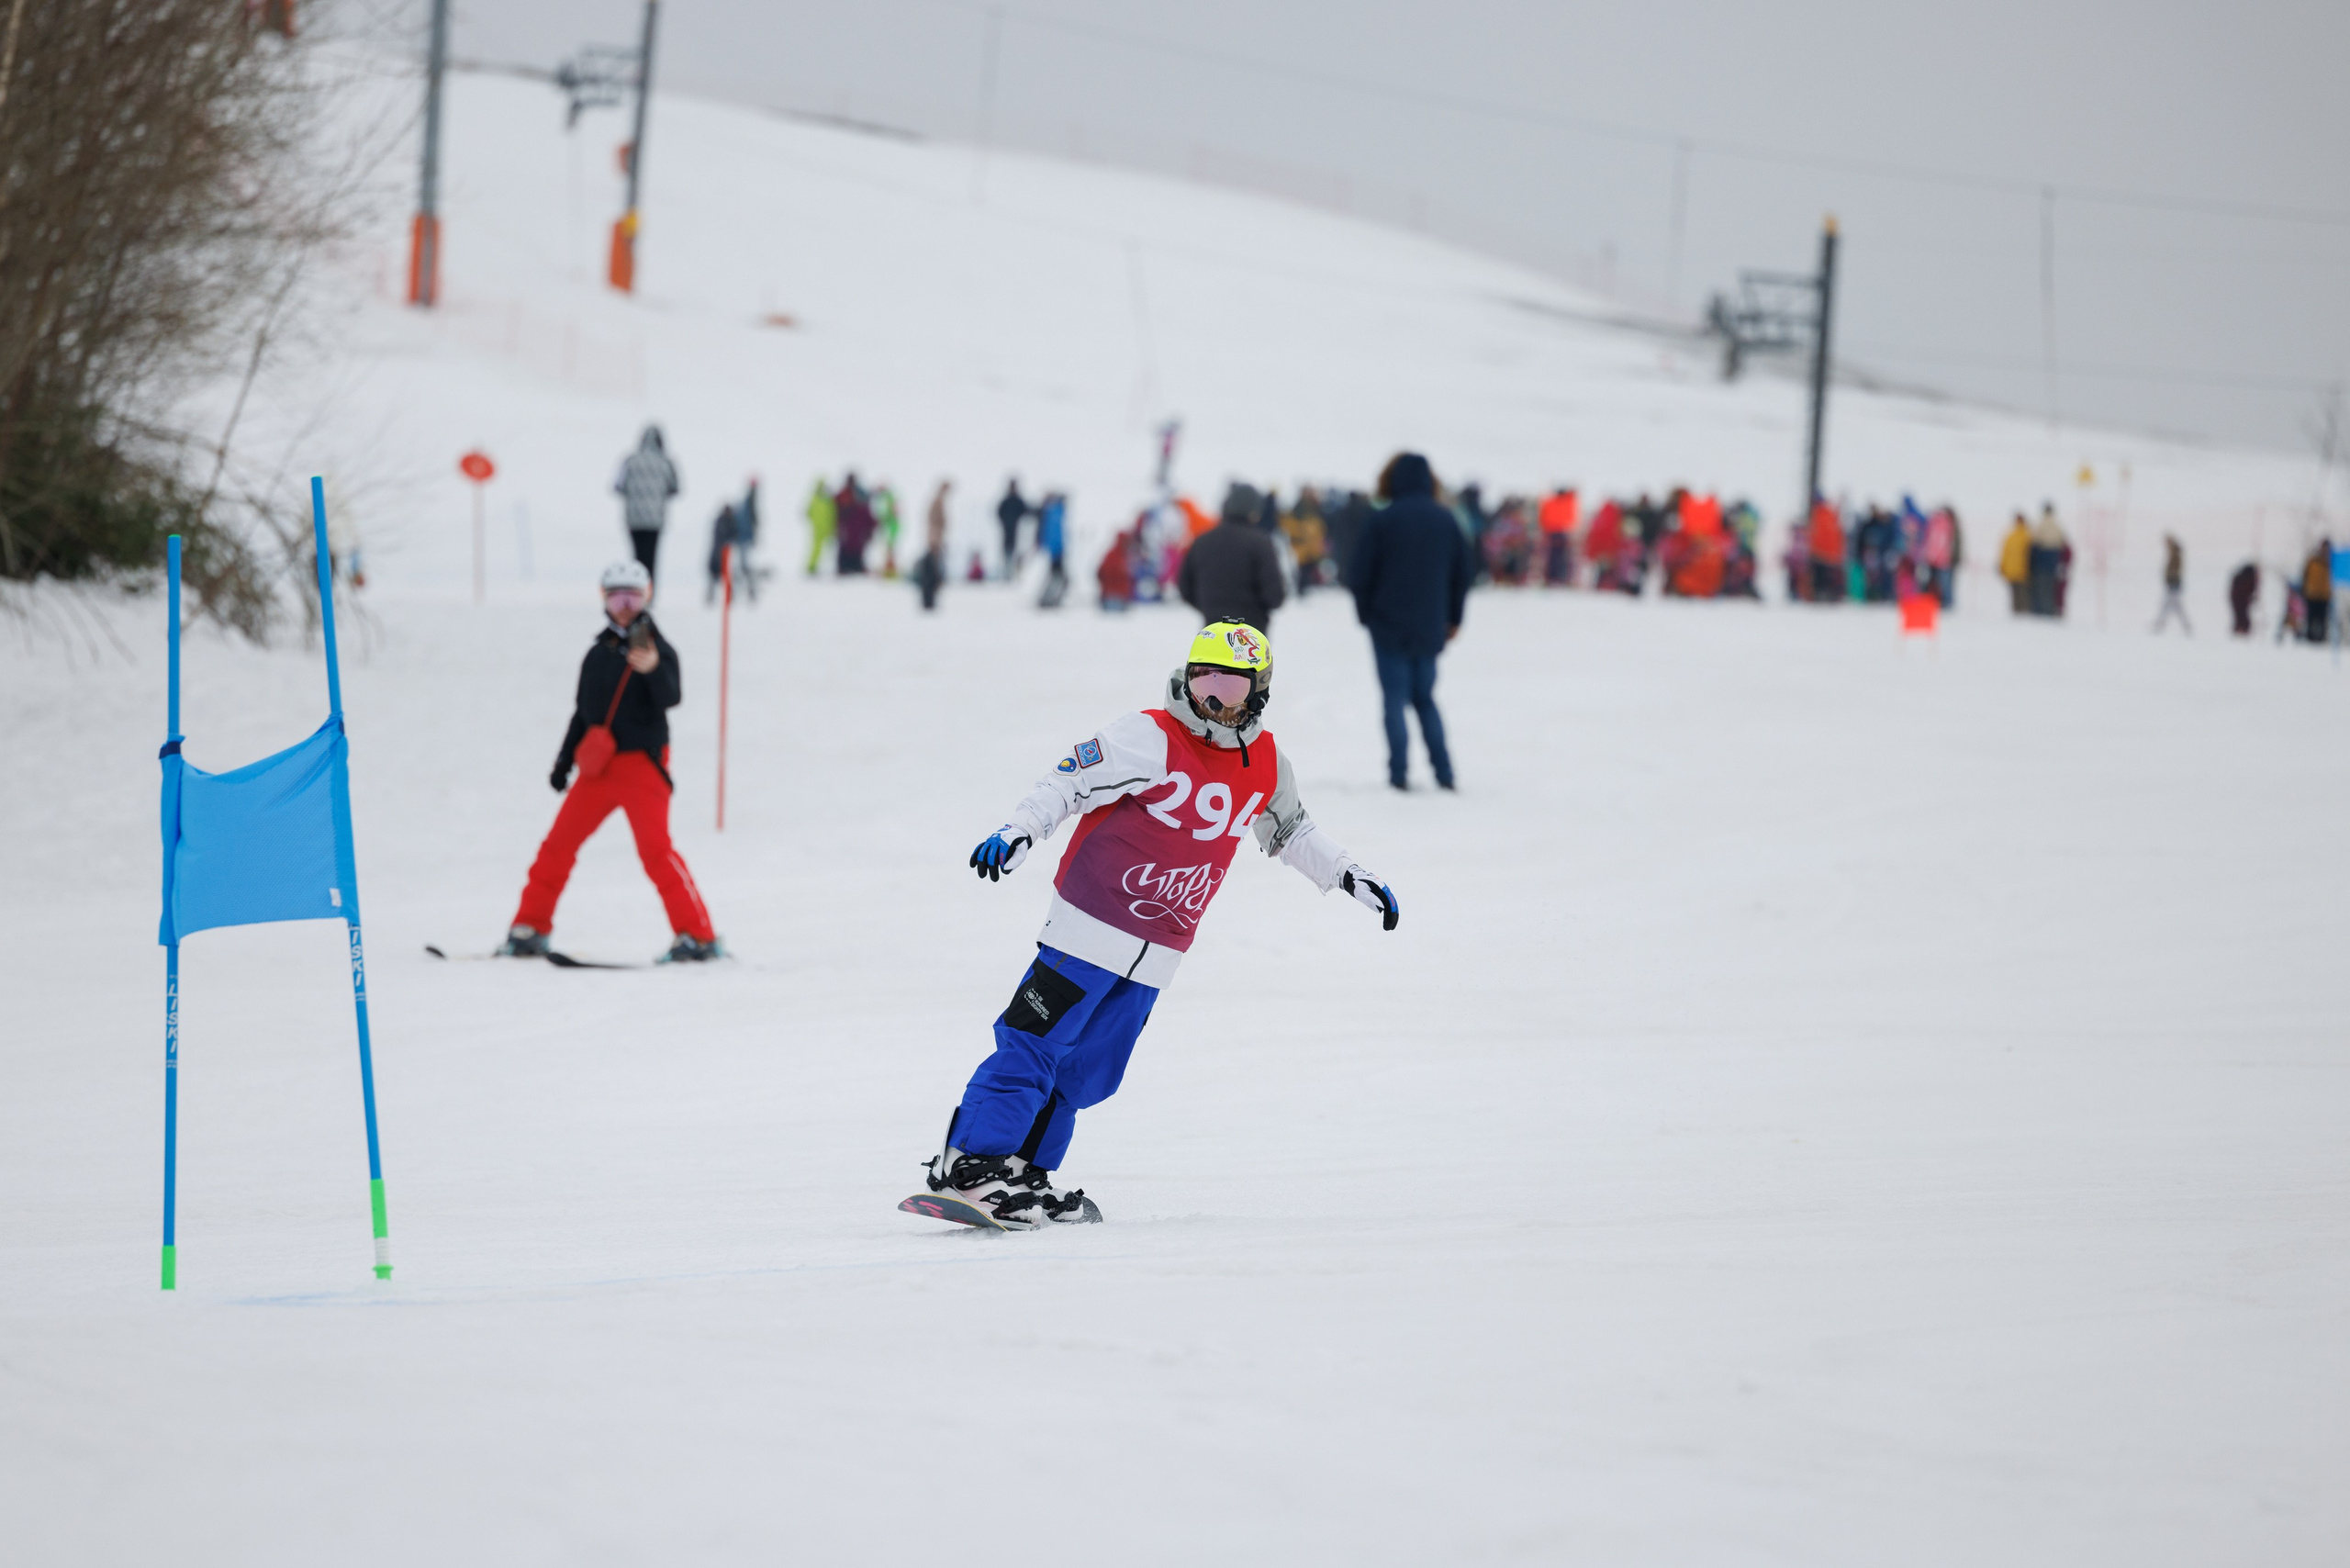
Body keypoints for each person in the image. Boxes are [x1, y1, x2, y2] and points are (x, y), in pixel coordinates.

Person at [909, 621, 1399, 1229]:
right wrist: (1019, 831)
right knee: (1032, 1045)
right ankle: (971, 1163)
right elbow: (1068, 781)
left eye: (1229, 686)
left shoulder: (1267, 762)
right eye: (1202, 680)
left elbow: (1292, 829)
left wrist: (1348, 874)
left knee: (1088, 1073)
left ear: (1259, 692)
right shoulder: (1148, 735)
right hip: (1088, 926)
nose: (1211, 698)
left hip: (1160, 947)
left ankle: (1023, 1174)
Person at [501, 561, 722, 964]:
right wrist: (563, 763)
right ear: (603, 599)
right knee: (557, 846)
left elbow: (672, 696)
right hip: (598, 770)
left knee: (656, 851)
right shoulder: (596, 655)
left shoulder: (657, 649)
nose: (624, 607)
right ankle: (530, 927)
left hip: (643, 767)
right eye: (616, 598)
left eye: (633, 598)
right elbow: (583, 714)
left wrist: (653, 670)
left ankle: (698, 936)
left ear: (647, 598)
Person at [1351, 452, 1472, 791]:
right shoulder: (1446, 520)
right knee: (1425, 698)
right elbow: (1463, 574)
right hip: (1430, 625)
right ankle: (1444, 773)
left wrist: (1366, 615)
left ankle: (1398, 774)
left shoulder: (1382, 519)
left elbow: (1359, 573)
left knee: (1394, 699)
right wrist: (1453, 618)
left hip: (1387, 625)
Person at [1177, 482, 1288, 633]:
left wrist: (1211, 609)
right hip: (1251, 634)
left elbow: (1185, 587)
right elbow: (1275, 596)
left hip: (1213, 630)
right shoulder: (1260, 543)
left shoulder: (1202, 541)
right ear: (1254, 511)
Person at [613, 426, 680, 583]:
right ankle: (648, 591)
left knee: (637, 558)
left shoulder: (630, 461)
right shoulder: (666, 462)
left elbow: (618, 486)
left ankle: (636, 588)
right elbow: (675, 488)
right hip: (655, 520)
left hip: (633, 519)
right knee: (651, 558)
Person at [915, 479, 951, 612]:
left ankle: (931, 601)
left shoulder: (940, 501)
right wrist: (935, 539)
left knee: (935, 572)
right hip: (935, 539)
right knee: (932, 572)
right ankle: (928, 602)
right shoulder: (937, 502)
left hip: (936, 539)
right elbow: (934, 522)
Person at [834, 474, 875, 576]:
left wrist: (871, 527)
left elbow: (868, 516)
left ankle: (854, 566)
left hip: (856, 530)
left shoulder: (857, 494)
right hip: (850, 529)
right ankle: (846, 567)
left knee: (854, 548)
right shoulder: (845, 494)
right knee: (847, 547)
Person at [1538, 487, 1578, 587]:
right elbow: (1572, 519)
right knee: (1561, 557)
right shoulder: (1568, 502)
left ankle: (1553, 578)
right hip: (1562, 532)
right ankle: (1560, 578)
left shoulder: (1550, 502)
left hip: (1553, 532)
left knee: (1553, 556)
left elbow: (1543, 517)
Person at [1036, 491, 1069, 608]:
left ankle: (1049, 598)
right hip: (1057, 551)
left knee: (1058, 577)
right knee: (1059, 577)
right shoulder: (1055, 511)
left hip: (1055, 550)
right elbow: (1054, 534)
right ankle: (1048, 599)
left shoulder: (1051, 511)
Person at [2153, 534, 2191, 634]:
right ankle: (2160, 624)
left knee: (2171, 606)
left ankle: (2160, 624)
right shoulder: (2173, 554)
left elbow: (2175, 570)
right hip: (2173, 584)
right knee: (2171, 606)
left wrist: (2170, 578)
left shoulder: (2175, 555)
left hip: (2174, 584)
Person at [704, 502, 739, 606]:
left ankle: (729, 596)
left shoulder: (729, 521)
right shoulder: (722, 521)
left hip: (724, 554)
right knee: (715, 578)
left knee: (726, 577)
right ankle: (711, 597)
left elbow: (733, 535)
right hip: (718, 554)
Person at [996, 478, 1031, 580]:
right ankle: (1007, 574)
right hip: (1007, 531)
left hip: (1018, 533)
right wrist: (1005, 522)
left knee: (1017, 554)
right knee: (1007, 553)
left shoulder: (1018, 501)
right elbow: (999, 513)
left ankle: (1015, 575)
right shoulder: (1006, 501)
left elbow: (1026, 512)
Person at [1999, 512, 2031, 614]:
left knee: (2016, 594)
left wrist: (2003, 567)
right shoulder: (2028, 535)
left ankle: (2017, 613)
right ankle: (2022, 613)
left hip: (2013, 571)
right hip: (2023, 571)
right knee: (2022, 594)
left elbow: (2004, 553)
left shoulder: (2011, 536)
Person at [2303, 542, 2334, 643]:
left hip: (2324, 596)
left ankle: (2321, 640)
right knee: (2311, 618)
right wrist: (2305, 589)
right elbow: (2305, 575)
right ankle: (2309, 638)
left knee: (2322, 619)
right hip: (2312, 594)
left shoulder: (2332, 562)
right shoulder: (2312, 560)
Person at [803, 478, 835, 576]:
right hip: (819, 529)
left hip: (826, 528)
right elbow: (807, 513)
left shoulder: (826, 500)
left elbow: (832, 514)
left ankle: (816, 566)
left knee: (824, 549)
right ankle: (812, 566)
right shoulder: (819, 499)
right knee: (816, 548)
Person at [872, 483, 902, 579]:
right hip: (889, 527)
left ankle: (890, 570)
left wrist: (883, 521)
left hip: (890, 528)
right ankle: (888, 569)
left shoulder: (887, 499)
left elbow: (887, 514)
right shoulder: (888, 498)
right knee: (888, 549)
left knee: (889, 549)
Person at [2228, 561, 2259, 636]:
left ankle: (2241, 628)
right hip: (2240, 599)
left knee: (2241, 614)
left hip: (2239, 599)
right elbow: (2248, 591)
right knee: (2241, 614)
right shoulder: (2246, 579)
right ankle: (2241, 628)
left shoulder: (2240, 578)